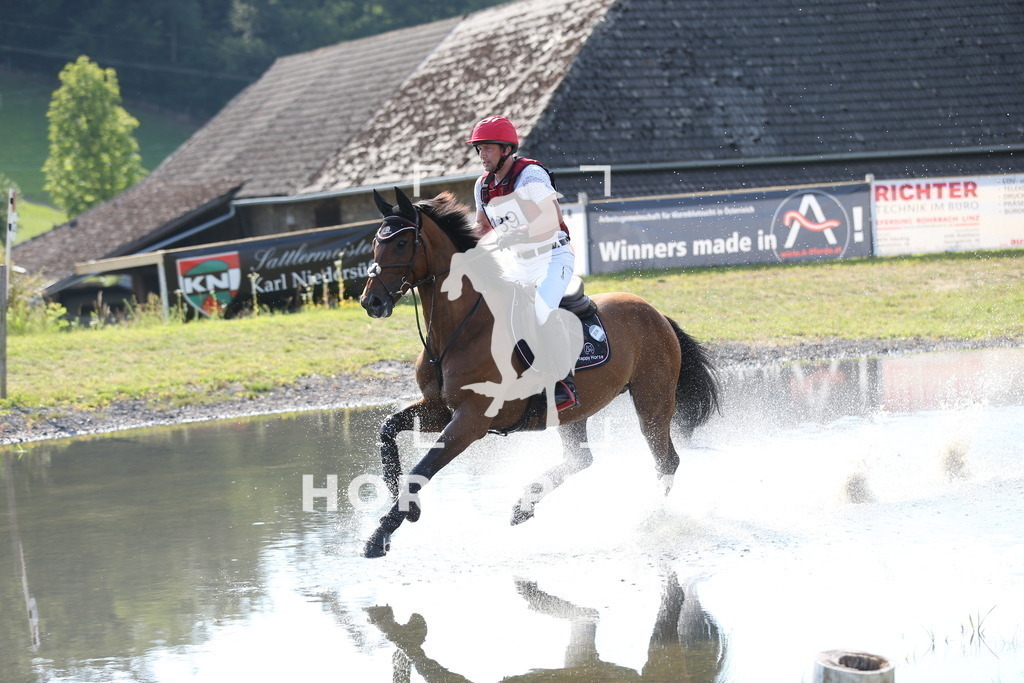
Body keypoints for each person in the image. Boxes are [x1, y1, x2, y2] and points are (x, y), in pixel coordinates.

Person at [466, 115, 579, 411]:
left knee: (540, 312)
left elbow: (551, 218)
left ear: (506, 149)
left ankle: (563, 383)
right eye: (479, 149)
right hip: (518, 263)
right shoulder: (482, 186)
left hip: (552, 257)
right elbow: (482, 227)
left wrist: (517, 234)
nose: (482, 155)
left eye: (488, 148)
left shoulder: (530, 175)